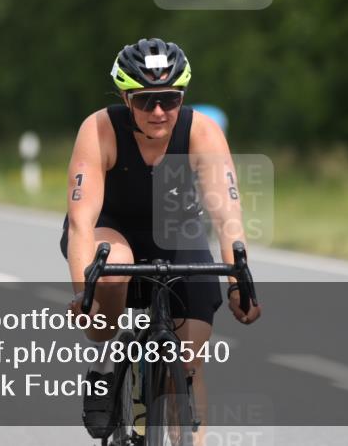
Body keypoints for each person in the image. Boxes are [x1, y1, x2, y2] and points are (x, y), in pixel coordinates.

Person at [60, 38, 261, 442]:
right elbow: (82, 221)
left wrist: (240, 281)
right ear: (125, 97)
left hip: (176, 233)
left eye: (169, 100)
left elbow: (228, 217)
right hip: (110, 227)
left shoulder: (201, 133)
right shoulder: (99, 128)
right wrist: (86, 293)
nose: (157, 111)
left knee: (188, 364)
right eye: (144, 101)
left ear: (182, 97)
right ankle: (104, 363)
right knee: (111, 278)